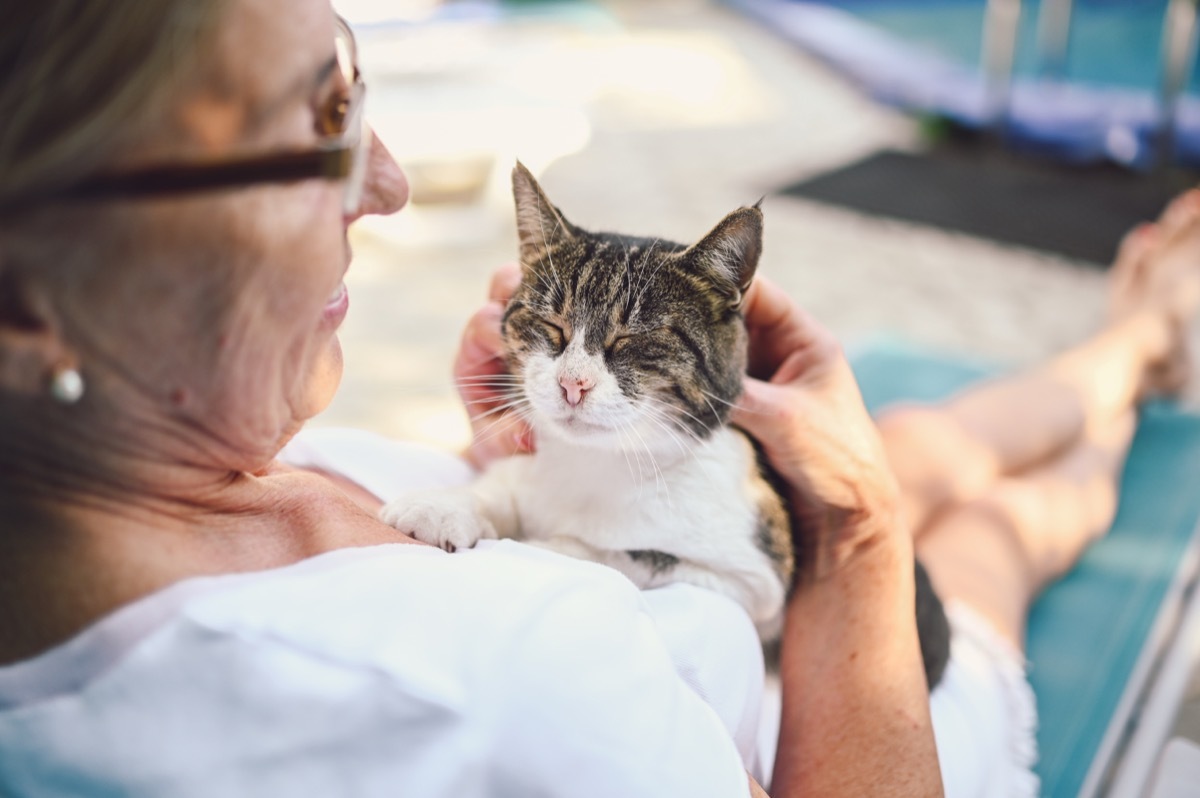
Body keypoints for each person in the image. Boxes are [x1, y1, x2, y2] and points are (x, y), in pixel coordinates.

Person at [0, 1, 1197, 795]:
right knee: (992, 537)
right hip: (880, 716)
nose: (393, 182)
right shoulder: (506, 692)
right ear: (30, 300)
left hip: (695, 540)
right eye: (317, 123)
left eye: (359, 93)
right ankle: (1138, 363)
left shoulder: (146, 463)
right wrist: (868, 528)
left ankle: (1127, 345)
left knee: (927, 439)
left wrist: (512, 475)